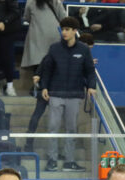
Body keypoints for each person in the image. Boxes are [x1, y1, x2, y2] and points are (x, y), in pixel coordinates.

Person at [40, 17, 97, 171]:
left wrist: (92, 87)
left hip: (74, 94)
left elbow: (90, 71)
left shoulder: (84, 50)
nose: (64, 32)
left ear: (74, 31)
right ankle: (52, 160)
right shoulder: (54, 48)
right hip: (56, 94)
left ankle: (69, 161)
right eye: (62, 29)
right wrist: (44, 87)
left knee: (71, 128)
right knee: (53, 127)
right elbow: (47, 70)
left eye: (67, 29)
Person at [21, 0, 66, 79]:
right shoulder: (56, 1)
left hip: (36, 38)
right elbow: (63, 18)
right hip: (54, 37)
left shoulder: (30, 2)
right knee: (53, 66)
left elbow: (27, 17)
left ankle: (38, 88)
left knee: (37, 67)